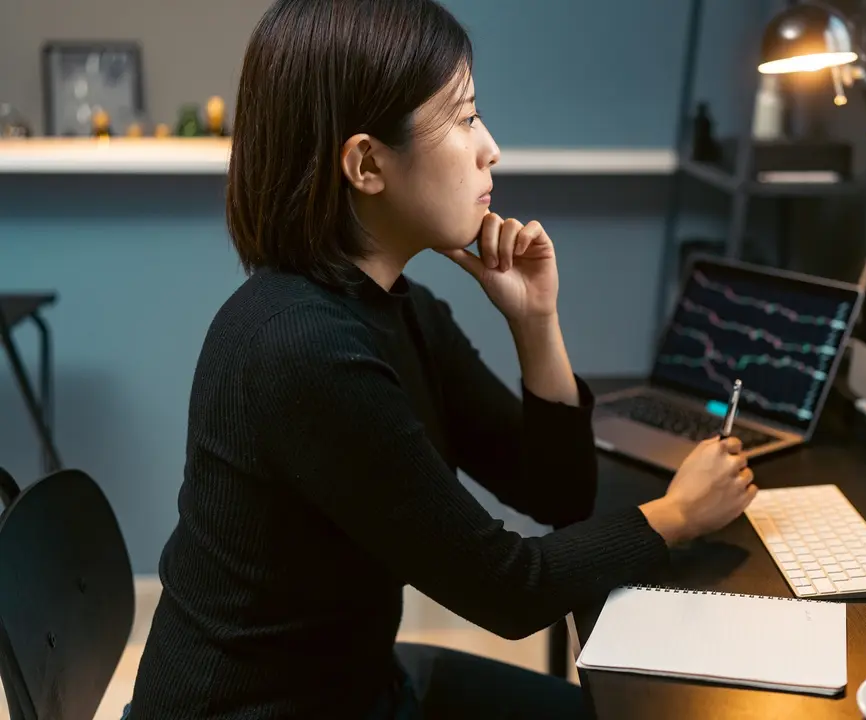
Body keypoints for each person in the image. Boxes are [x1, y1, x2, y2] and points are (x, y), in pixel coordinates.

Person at [125, 1, 757, 718]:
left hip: (357, 684)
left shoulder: (399, 307)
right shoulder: (303, 351)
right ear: (367, 163)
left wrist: (535, 322)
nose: (491, 148)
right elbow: (508, 589)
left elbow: (557, 496)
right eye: (463, 119)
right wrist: (678, 515)